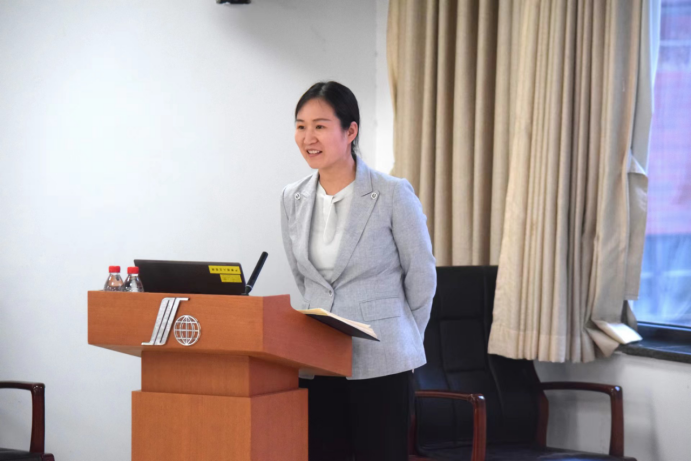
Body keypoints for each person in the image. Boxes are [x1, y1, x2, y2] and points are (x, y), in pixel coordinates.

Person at [280, 81, 437, 461]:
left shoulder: (392, 193)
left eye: (320, 126)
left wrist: (402, 334)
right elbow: (305, 278)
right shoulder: (292, 197)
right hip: (319, 357)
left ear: (350, 131)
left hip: (383, 357)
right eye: (301, 126)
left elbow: (422, 276)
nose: (308, 138)